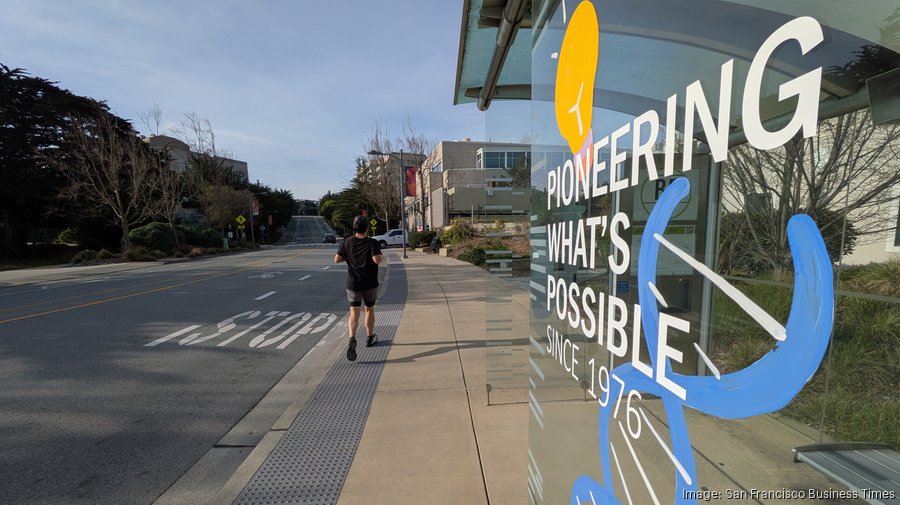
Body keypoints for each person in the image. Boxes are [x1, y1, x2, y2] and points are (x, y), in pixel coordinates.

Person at [334, 215, 383, 361]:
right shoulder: (372, 242)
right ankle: (369, 337)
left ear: (354, 228)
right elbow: (377, 260)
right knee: (369, 309)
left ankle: (352, 338)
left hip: (353, 284)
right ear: (367, 228)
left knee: (354, 313)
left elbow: (336, 259)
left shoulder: (347, 242)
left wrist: (349, 257)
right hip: (369, 283)